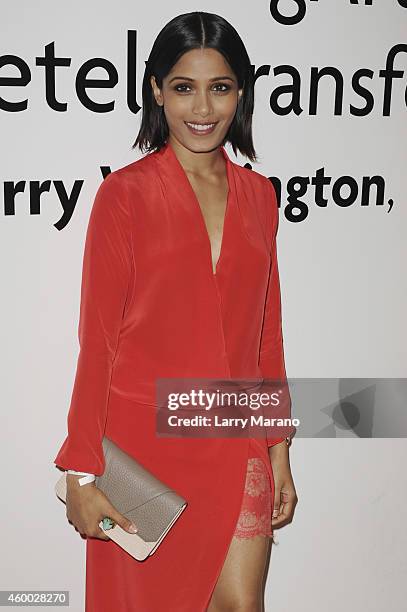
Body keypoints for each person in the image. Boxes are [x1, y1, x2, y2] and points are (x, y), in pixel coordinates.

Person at [53, 10, 298, 612]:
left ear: (240, 92)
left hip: (235, 441)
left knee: (243, 605)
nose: (203, 108)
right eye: (184, 87)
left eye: (221, 87)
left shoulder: (260, 196)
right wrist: (81, 474)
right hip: (144, 452)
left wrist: (279, 451)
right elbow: (98, 344)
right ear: (157, 91)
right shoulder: (125, 196)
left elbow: (267, 336)